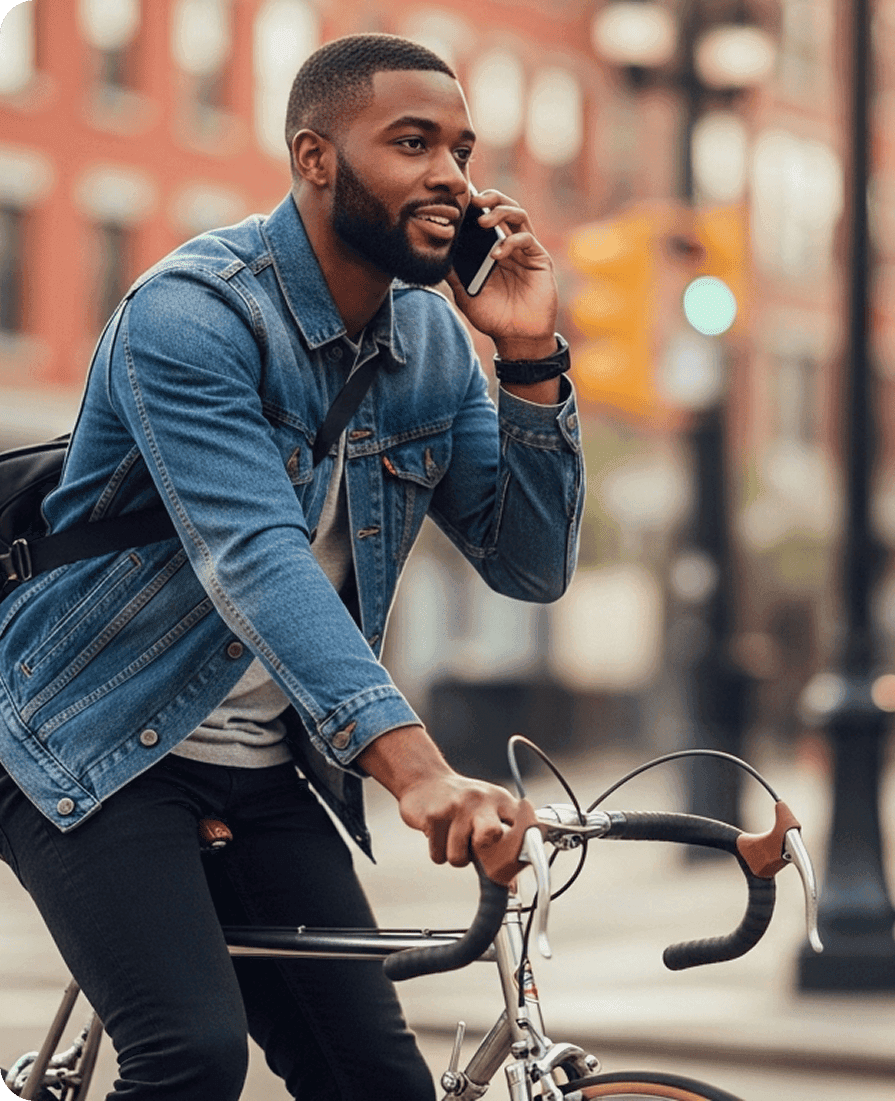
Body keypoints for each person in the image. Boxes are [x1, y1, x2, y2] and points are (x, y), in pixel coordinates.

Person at [0, 32, 584, 1101]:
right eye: (413, 143)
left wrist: (531, 357)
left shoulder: (437, 346)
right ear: (316, 158)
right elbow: (254, 555)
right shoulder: (194, 314)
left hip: (265, 765)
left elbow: (530, 566)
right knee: (190, 1058)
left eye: (460, 147)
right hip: (87, 735)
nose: (452, 176)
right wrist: (415, 769)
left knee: (377, 1083)